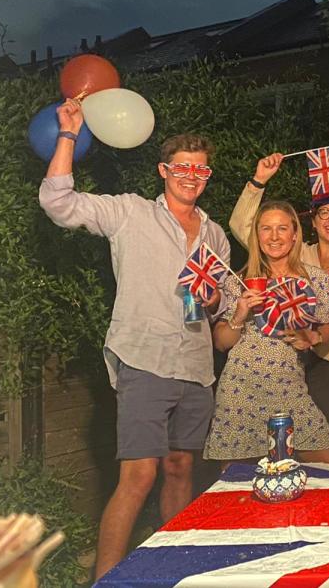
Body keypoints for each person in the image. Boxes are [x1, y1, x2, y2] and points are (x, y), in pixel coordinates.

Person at [38, 99, 228, 580]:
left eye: (200, 170)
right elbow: (58, 204)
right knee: (139, 475)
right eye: (182, 167)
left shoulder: (216, 236)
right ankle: (106, 578)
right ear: (164, 171)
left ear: (208, 177)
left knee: (182, 468)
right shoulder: (129, 212)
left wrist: (212, 301)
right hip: (144, 359)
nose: (191, 176)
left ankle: (172, 568)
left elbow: (219, 304)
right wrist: (67, 134)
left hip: (195, 367)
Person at [228, 153, 329, 458]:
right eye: (324, 213)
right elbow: (245, 225)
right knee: (279, 451)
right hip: (280, 362)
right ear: (311, 221)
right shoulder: (297, 256)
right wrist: (258, 182)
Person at [205, 200, 329, 466]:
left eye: (282, 228)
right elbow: (221, 343)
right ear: (257, 236)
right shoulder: (237, 281)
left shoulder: (314, 278)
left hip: (290, 389)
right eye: (266, 229)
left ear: (294, 235)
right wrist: (240, 314)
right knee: (238, 488)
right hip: (240, 393)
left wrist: (317, 338)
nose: (275, 236)